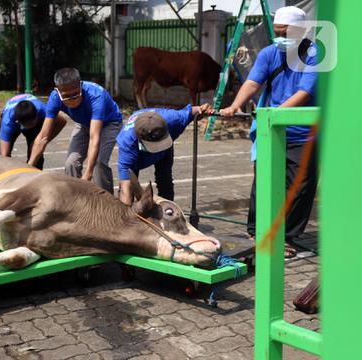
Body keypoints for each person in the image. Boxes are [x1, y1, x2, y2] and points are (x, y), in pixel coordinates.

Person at [219, 6, 317, 258]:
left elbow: (304, 92)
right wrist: (235, 104)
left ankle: (286, 236)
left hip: (302, 134)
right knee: (264, 181)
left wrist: (276, 114)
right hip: (270, 130)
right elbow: (253, 82)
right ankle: (257, 229)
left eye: (286, 32)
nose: (281, 36)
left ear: (301, 31)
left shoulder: (315, 55)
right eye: (278, 31)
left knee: (301, 186)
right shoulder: (269, 53)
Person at [29, 68, 122, 193]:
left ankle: (107, 203)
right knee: (71, 163)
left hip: (108, 123)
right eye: (66, 96)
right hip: (83, 124)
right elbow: (43, 137)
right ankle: (76, 199)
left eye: (75, 94)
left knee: (98, 163)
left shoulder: (96, 95)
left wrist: (87, 175)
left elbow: (94, 138)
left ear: (80, 85)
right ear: (58, 91)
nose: (72, 100)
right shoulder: (55, 98)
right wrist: (29, 167)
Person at [117, 104, 214, 205]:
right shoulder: (127, 143)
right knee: (131, 188)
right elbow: (125, 186)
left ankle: (168, 212)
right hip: (138, 155)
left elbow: (195, 111)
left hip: (167, 146)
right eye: (156, 146)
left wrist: (203, 109)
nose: (158, 149)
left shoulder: (173, 119)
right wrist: (127, 215)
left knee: (165, 179)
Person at [0, 94, 67, 169]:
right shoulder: (8, 122)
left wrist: (44, 140)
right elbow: (4, 156)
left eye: (33, 123)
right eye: (29, 125)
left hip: (34, 117)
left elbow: (62, 121)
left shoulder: (42, 109)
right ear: (18, 122)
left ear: (37, 115)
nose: (31, 125)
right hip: (11, 118)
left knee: (37, 155)